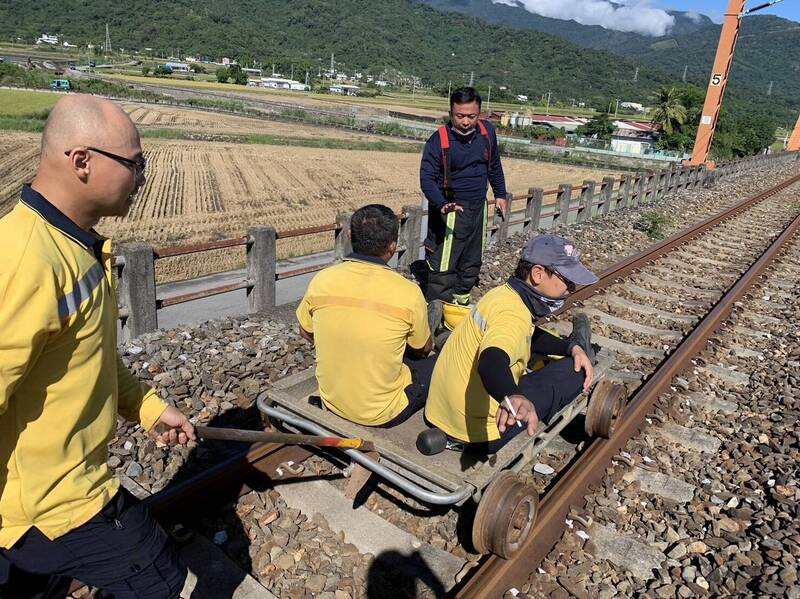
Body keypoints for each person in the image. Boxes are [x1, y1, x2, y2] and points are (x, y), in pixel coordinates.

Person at [0, 95, 196, 598]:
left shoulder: (74, 245)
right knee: (162, 581)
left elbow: (87, 359)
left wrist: (148, 408)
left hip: (61, 486)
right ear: (82, 161)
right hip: (52, 505)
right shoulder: (26, 261)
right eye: (135, 164)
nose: (143, 178)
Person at [424, 235, 599, 453]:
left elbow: (529, 334)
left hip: (442, 412)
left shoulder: (503, 295)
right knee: (573, 371)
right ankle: (583, 347)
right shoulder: (513, 315)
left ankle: (577, 343)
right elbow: (490, 361)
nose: (571, 289)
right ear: (538, 274)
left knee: (569, 356)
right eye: (568, 281)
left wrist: (570, 347)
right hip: (478, 431)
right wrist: (513, 397)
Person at [297, 204, 435, 427]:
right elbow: (423, 348)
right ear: (392, 247)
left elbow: (305, 330)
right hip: (383, 414)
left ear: (350, 236)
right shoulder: (408, 292)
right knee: (438, 363)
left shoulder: (322, 279)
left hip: (332, 401)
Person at [419, 86, 509, 328]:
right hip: (449, 208)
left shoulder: (487, 132)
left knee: (472, 257)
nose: (466, 122)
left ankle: (460, 304)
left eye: (472, 116)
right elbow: (427, 178)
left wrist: (500, 193)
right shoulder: (439, 140)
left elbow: (494, 165)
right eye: (460, 116)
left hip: (478, 205)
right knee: (443, 262)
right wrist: (441, 204)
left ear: (480, 113)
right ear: (451, 113)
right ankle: (436, 312)